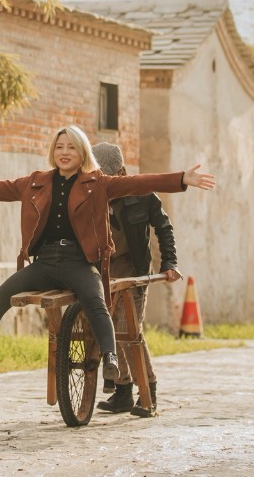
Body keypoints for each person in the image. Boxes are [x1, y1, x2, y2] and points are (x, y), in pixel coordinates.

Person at [0, 124, 215, 386]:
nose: (64, 152)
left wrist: (181, 178)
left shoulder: (99, 183)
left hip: (79, 263)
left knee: (96, 301)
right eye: (59, 147)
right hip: (44, 264)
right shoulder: (35, 182)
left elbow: (140, 182)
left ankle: (110, 360)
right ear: (52, 152)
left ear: (82, 153)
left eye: (71, 147)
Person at [92, 141, 179, 418]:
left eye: (108, 176)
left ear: (121, 172)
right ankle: (123, 391)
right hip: (103, 267)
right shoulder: (90, 193)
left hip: (134, 265)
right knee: (108, 329)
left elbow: (164, 227)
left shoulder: (142, 193)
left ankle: (148, 391)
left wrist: (169, 263)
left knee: (129, 330)